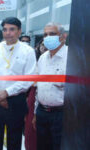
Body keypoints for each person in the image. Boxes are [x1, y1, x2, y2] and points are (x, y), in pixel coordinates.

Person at [0, 17, 37, 150]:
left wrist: (7, 92)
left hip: (16, 101)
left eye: (12, 29)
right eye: (5, 29)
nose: (8, 33)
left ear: (19, 31)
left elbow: (29, 78)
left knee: (14, 141)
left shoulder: (28, 51)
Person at [33, 22, 67, 150]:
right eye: (45, 34)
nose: (47, 37)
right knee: (42, 146)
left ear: (63, 36)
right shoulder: (42, 58)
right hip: (42, 112)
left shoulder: (72, 57)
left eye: (52, 34)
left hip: (61, 114)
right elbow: (39, 88)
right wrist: (36, 112)